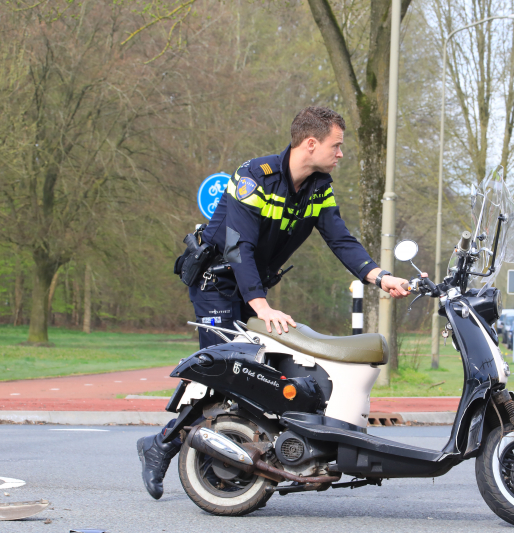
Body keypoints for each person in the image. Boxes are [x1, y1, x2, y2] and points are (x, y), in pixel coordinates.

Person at [137, 106, 410, 500]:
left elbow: (340, 238)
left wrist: (379, 276)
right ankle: (161, 445)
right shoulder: (253, 177)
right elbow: (239, 246)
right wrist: (261, 306)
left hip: (251, 289)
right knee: (226, 374)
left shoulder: (319, 186)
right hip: (218, 284)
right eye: (337, 145)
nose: (341, 153)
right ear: (311, 143)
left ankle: (243, 459)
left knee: (254, 379)